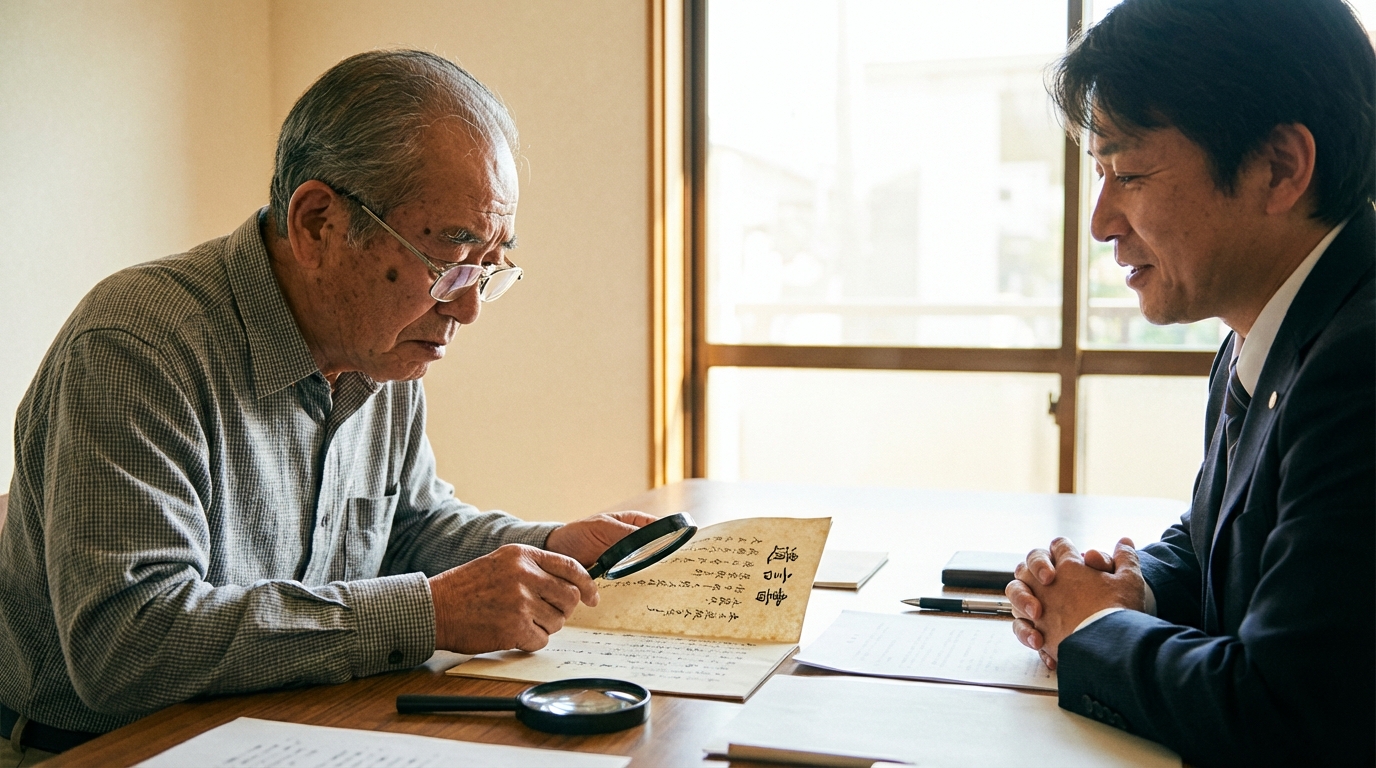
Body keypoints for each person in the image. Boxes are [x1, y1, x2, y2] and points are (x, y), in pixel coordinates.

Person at [0, 49, 655, 758]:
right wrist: (430, 614)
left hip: (292, 727)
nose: (468, 307)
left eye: (489, 266)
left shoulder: (379, 347)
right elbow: (126, 644)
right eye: (450, 259)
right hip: (100, 749)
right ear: (317, 223)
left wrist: (550, 548)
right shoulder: (139, 346)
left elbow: (407, 527)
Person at [1004, 1, 1374, 765]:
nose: (1102, 222)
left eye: (1129, 174)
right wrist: (1129, 590)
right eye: (1100, 176)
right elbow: (1222, 543)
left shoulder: (1360, 363)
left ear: (1279, 167)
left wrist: (1091, 630)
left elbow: (1283, 712)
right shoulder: (1266, 326)